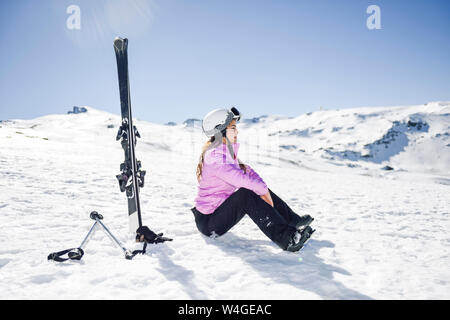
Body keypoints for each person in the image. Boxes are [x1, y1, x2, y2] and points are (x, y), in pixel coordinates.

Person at [191, 107, 315, 252]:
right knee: (246, 194)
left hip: (218, 213)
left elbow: (249, 173)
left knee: (254, 188)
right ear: (220, 130)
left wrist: (263, 189)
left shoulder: (227, 154)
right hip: (209, 222)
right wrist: (261, 191)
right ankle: (287, 239)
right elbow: (239, 179)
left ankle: (293, 221)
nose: (236, 132)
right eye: (232, 128)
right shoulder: (215, 156)